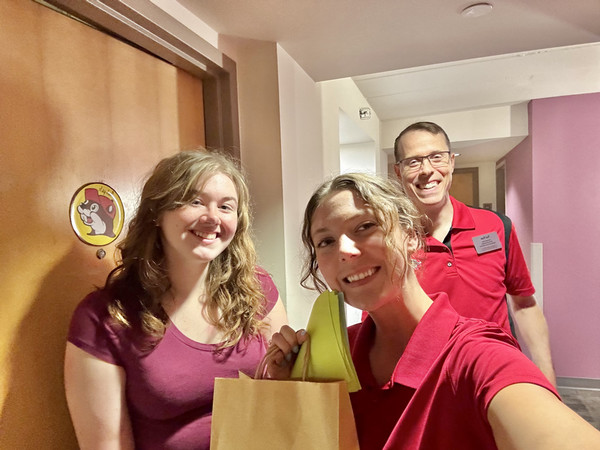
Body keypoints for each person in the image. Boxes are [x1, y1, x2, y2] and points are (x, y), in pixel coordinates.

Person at [267, 173, 600, 449]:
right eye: (325, 241)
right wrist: (291, 390)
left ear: (412, 236)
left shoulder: (475, 357)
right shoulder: (336, 352)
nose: (345, 250)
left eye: (365, 226)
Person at [64, 149, 288, 449]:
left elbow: (286, 393)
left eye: (225, 206)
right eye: (195, 201)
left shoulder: (258, 289)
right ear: (157, 212)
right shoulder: (104, 317)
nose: (212, 218)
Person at [391, 121, 556, 386]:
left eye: (437, 157)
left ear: (451, 162)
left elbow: (525, 304)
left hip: (499, 378)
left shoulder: (496, 226)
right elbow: (379, 324)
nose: (427, 170)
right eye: (413, 161)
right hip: (427, 386)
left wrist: (546, 377)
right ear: (398, 172)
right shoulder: (389, 241)